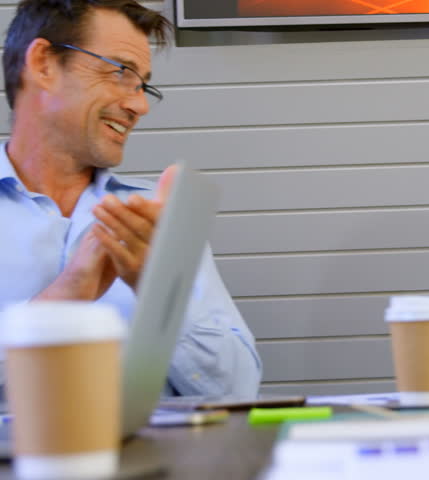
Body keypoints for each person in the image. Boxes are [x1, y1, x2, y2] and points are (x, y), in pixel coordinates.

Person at [0, 0, 261, 397]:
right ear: (43, 64)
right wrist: (64, 297)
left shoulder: (153, 221)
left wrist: (159, 293)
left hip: (152, 458)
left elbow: (238, 390)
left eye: (143, 84)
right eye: (121, 72)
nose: (139, 105)